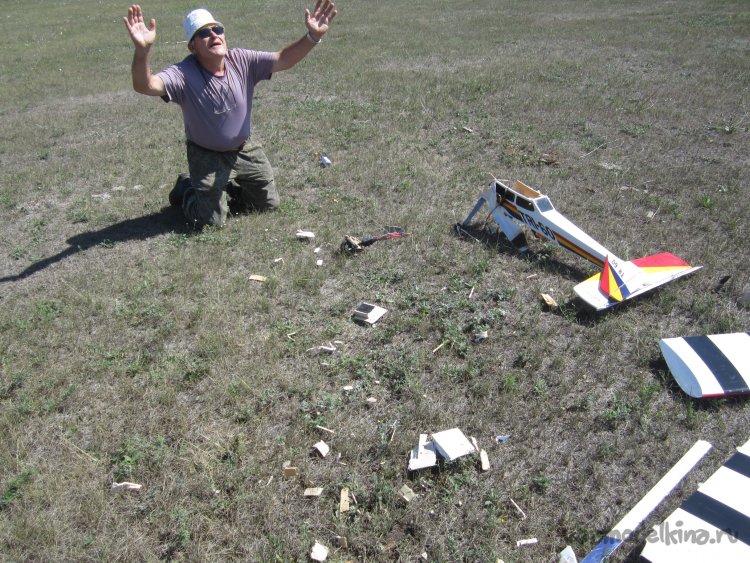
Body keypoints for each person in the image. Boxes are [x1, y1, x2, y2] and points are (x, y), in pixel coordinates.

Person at [123, 2, 337, 228]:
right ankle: (188, 188)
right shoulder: (183, 74)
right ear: (192, 46)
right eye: (204, 33)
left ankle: (221, 190)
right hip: (207, 155)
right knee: (210, 222)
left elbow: (283, 59)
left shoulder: (241, 60)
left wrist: (313, 36)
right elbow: (145, 85)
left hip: (244, 149)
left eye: (218, 29)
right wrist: (142, 51)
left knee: (267, 204)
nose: (214, 35)